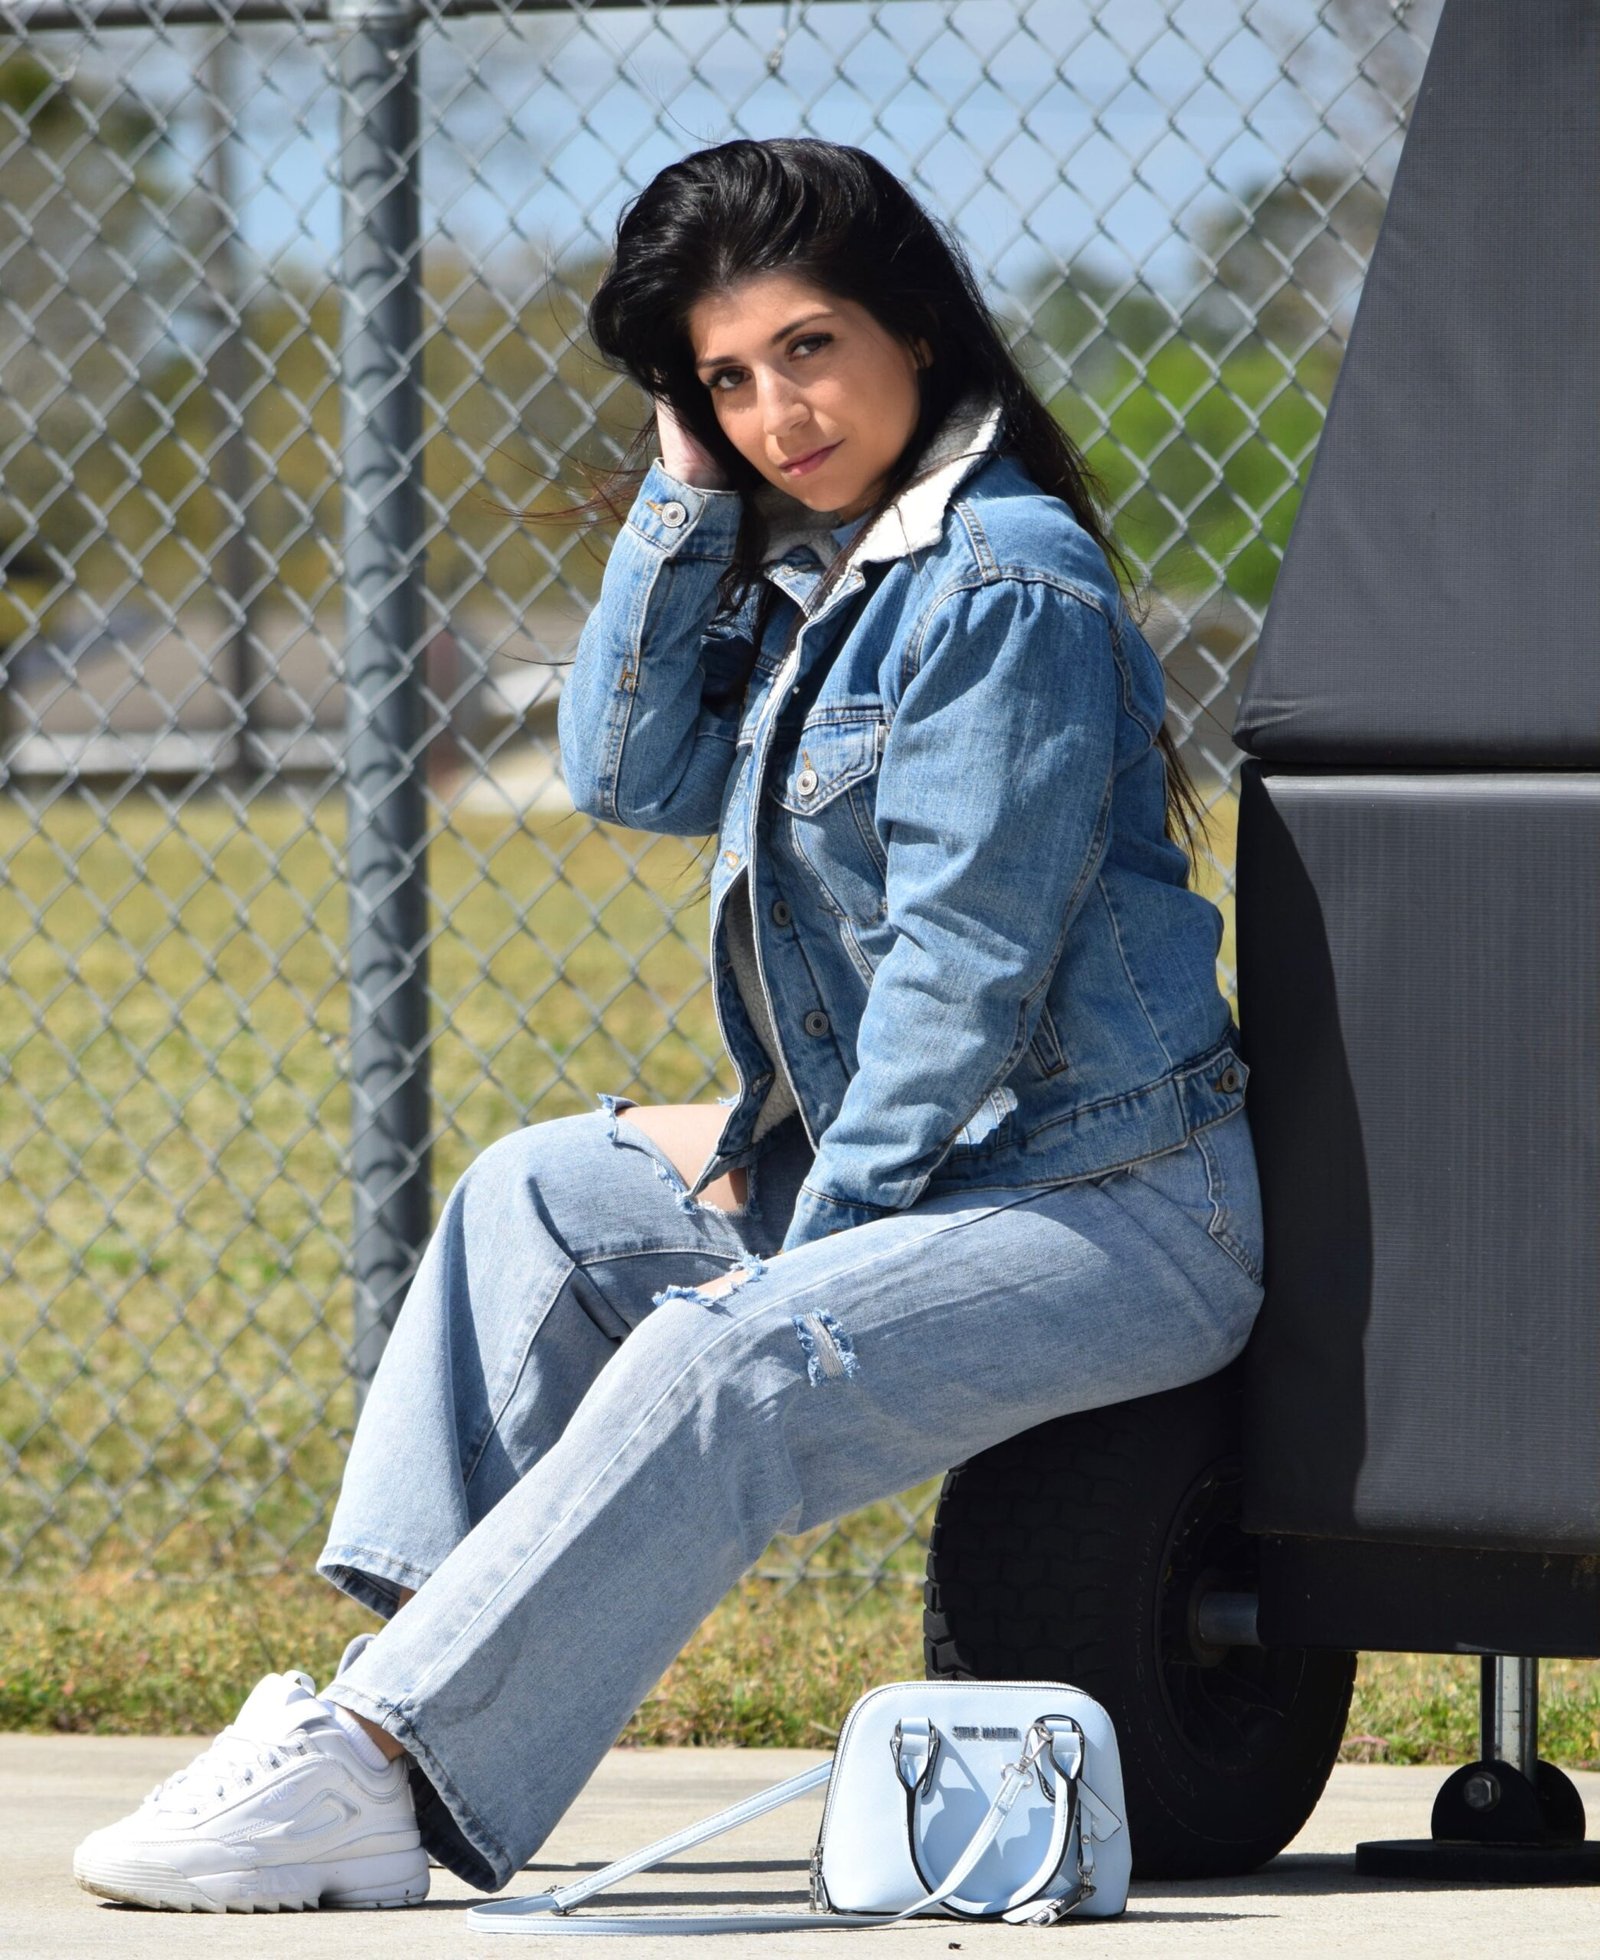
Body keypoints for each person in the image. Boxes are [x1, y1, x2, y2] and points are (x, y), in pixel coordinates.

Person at [73, 136, 1264, 1915]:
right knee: (534, 1201)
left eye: (809, 349)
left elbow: (962, 972)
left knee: (726, 1361)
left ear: (917, 332)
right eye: (728, 379)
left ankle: (378, 1763)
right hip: (956, 1175)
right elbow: (625, 769)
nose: (778, 411)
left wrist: (811, 1243)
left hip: (1120, 1207)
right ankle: (380, 1714)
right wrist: (682, 492)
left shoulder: (1002, 585)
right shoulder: (831, 572)